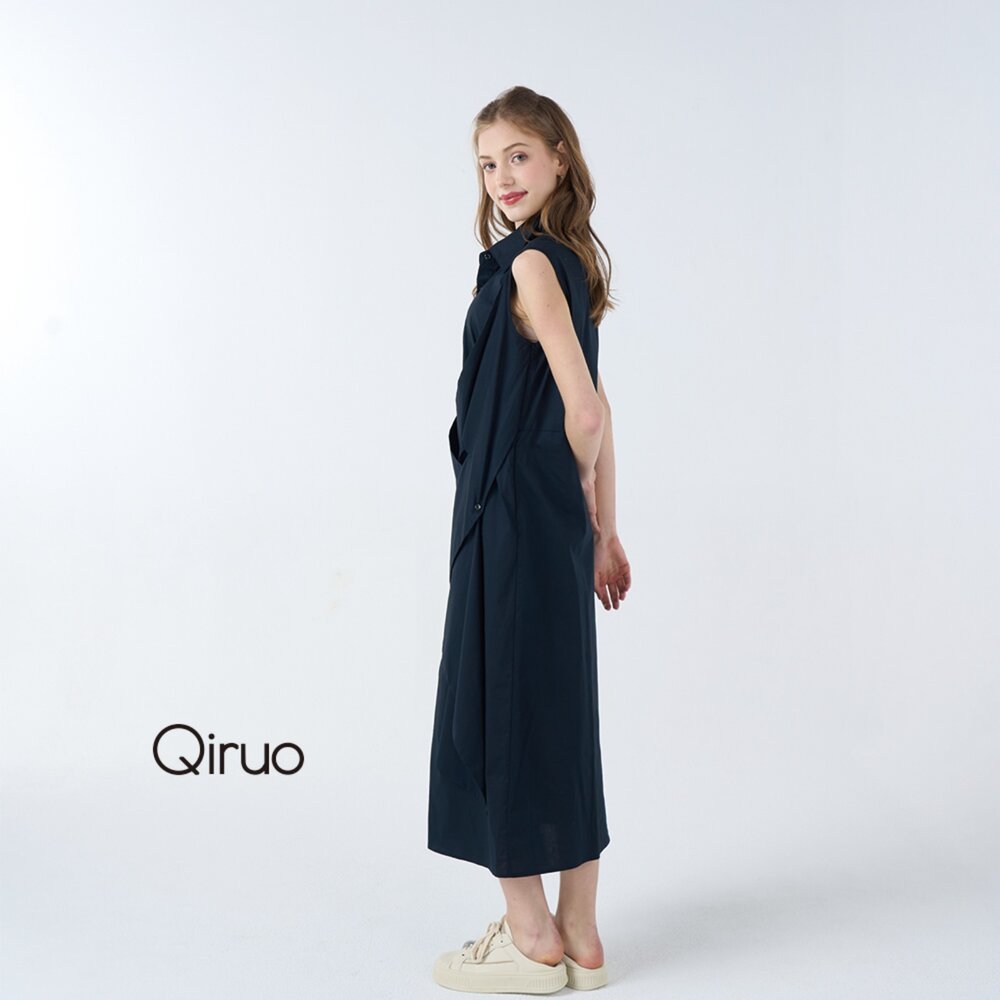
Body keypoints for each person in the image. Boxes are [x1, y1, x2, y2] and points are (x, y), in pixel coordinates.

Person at [428, 85, 632, 995]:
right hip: (550, 527)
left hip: (506, 514)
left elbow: (584, 413)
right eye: (487, 163)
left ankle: (531, 939)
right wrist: (601, 527)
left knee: (488, 712)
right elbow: (600, 408)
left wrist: (562, 488)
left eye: (517, 155)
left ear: (558, 157)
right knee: (560, 708)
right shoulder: (573, 264)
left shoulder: (528, 265)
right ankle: (582, 934)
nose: (502, 177)